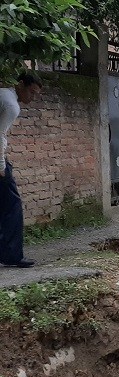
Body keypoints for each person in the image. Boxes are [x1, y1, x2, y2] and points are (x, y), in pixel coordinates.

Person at [0, 73, 42, 268]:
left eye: (35, 95)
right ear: (21, 84)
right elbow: (0, 135)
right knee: (13, 205)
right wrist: (1, 165)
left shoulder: (3, 95)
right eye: (31, 92)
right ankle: (12, 255)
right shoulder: (11, 105)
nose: (31, 98)